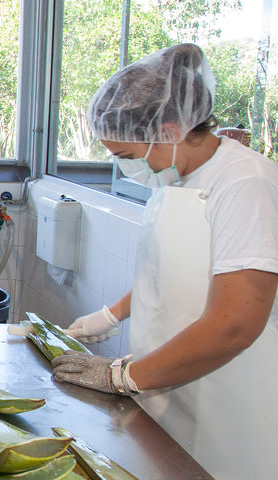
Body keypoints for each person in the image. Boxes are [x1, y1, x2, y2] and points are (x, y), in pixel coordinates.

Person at [52, 43, 278, 479]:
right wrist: (110, 315)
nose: (127, 170)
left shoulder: (246, 184)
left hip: (229, 400)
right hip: (168, 385)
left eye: (128, 158)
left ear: (170, 130)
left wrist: (123, 376)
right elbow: (177, 274)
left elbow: (235, 323)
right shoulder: (179, 176)